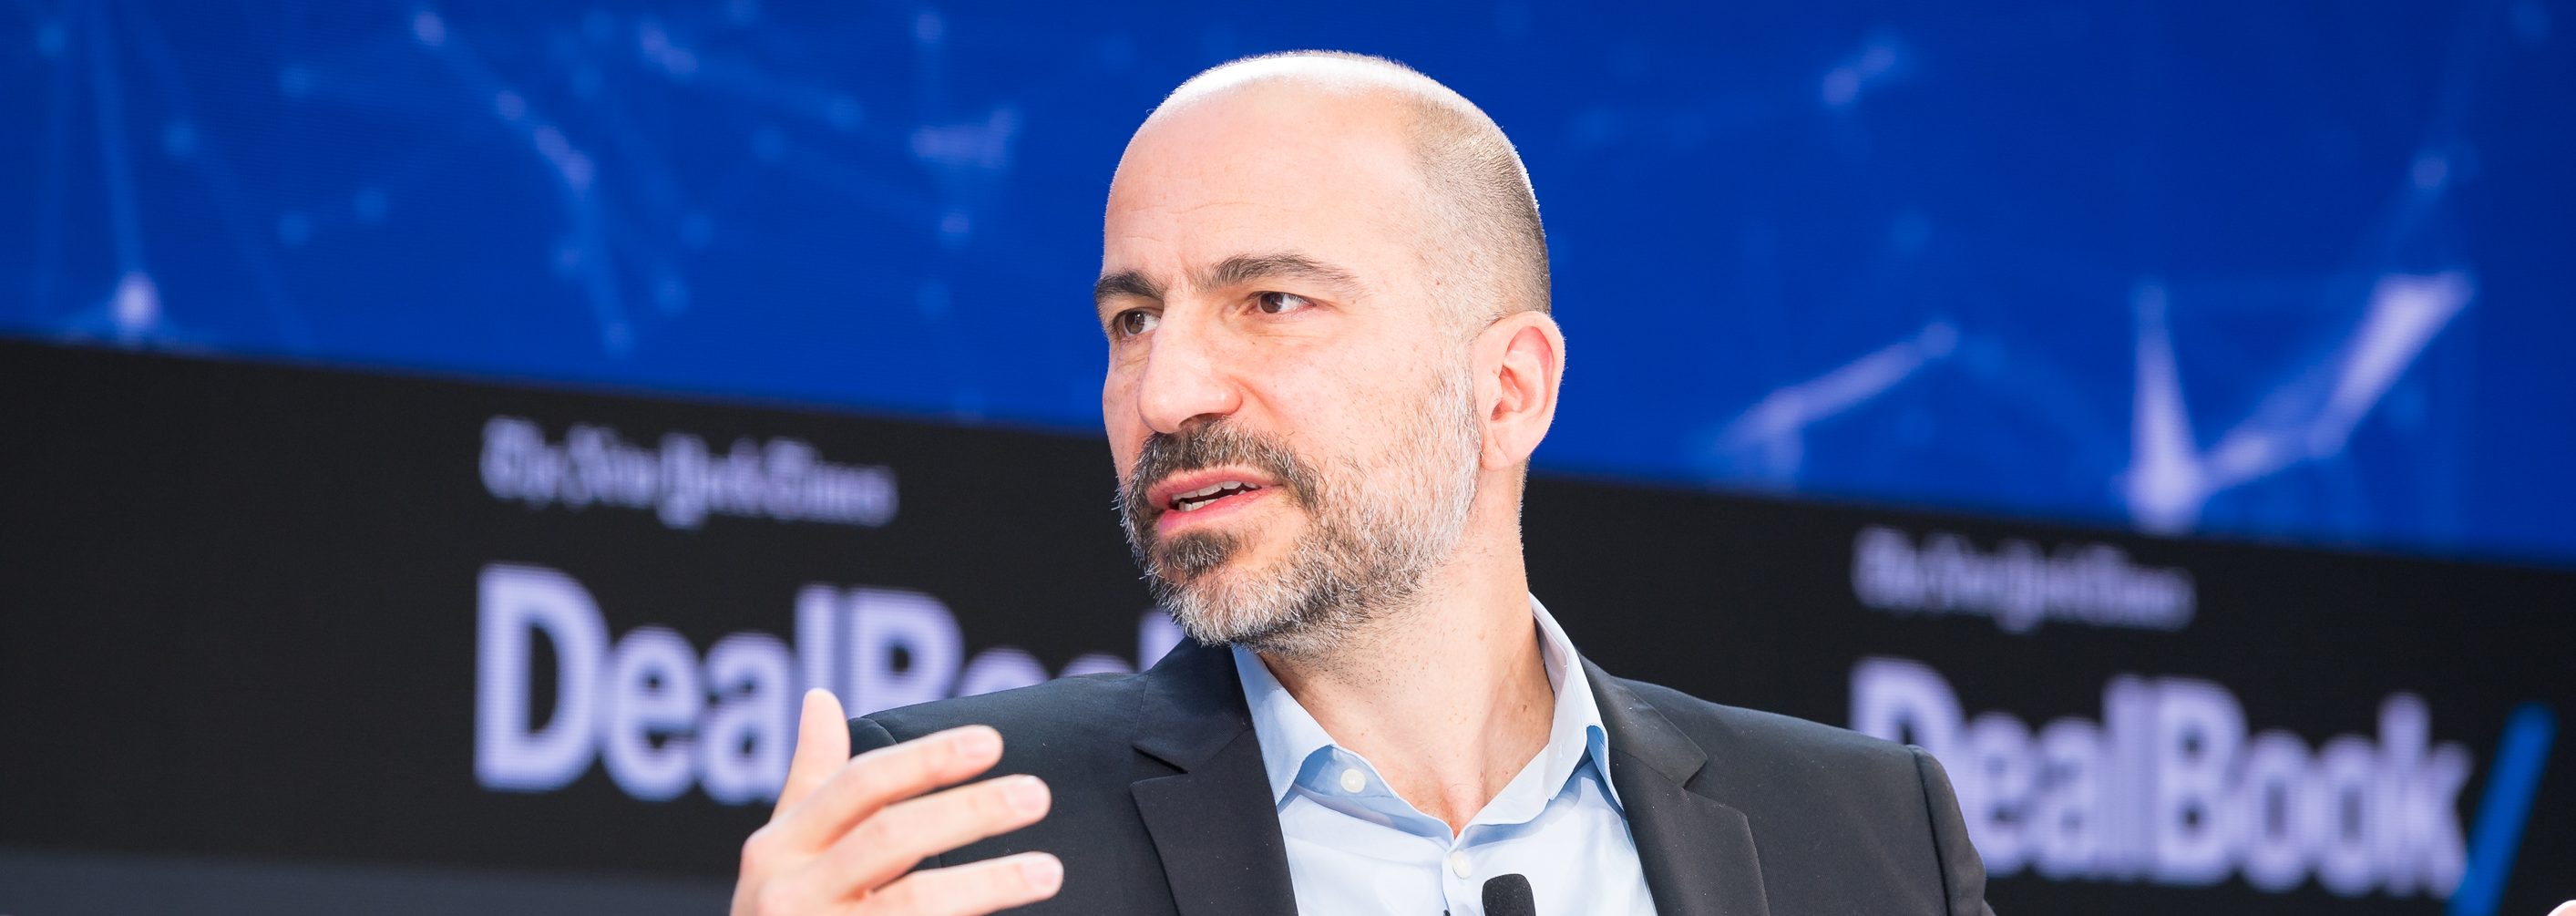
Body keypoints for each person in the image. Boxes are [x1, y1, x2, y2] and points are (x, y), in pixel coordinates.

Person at [730, 51, 1995, 916]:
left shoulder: (1872, 838)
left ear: (1509, 391)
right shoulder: (957, 833)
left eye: (1269, 301)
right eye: (1131, 320)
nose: (1166, 393)